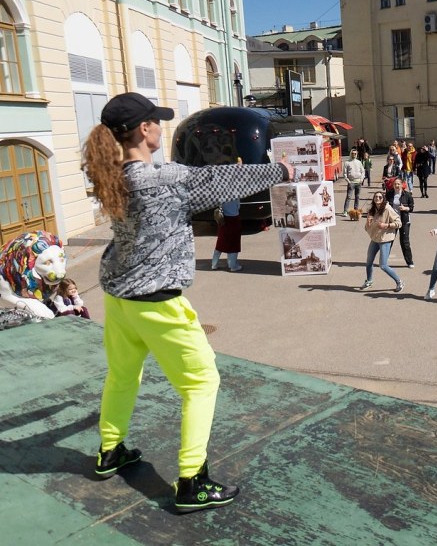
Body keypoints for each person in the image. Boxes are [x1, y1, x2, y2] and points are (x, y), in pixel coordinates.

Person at [82, 92, 294, 511]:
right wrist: (281, 169)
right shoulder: (163, 181)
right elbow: (220, 182)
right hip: (157, 300)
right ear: (145, 130)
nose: (162, 127)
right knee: (201, 382)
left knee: (124, 376)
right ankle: (191, 480)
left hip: (120, 297)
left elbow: (198, 180)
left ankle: (111, 449)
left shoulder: (117, 175)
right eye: (157, 121)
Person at [363, 190, 404, 291]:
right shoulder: (372, 211)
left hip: (385, 240)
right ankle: (369, 281)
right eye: (376, 197)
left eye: (380, 197)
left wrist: (387, 225)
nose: (377, 199)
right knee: (369, 262)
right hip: (375, 239)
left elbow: (399, 223)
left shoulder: (387, 209)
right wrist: (368, 223)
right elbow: (367, 229)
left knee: (383, 265)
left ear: (383, 199)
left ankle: (399, 282)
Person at [386, 178, 414, 268]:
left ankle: (409, 261)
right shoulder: (389, 194)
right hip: (392, 220)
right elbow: (384, 206)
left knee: (405, 241)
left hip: (404, 220)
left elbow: (411, 207)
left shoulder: (407, 195)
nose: (397, 186)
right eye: (395, 184)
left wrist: (405, 208)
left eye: (398, 184)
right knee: (389, 240)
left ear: (402, 185)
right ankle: (384, 260)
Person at [211, 197, 243, 272]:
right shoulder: (235, 195)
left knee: (220, 242)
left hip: (223, 220)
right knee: (233, 243)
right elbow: (238, 207)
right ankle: (233, 266)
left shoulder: (222, 193)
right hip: (234, 219)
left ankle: (214, 264)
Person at [343, 149, 365, 214]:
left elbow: (363, 171)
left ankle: (356, 210)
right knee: (349, 197)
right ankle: (345, 211)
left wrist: (361, 179)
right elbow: (344, 173)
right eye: (352, 153)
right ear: (350, 154)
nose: (354, 155)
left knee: (357, 196)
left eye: (355, 154)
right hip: (351, 182)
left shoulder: (359, 162)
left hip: (358, 182)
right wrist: (348, 181)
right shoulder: (347, 162)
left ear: (356, 154)